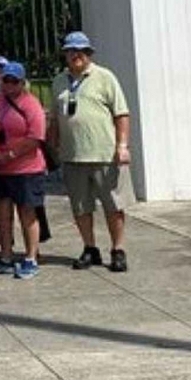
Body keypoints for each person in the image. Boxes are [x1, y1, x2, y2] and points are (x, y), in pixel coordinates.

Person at [48, 31, 132, 272]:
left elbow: (121, 114)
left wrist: (122, 146)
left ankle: (117, 249)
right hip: (73, 156)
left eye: (81, 51)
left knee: (113, 205)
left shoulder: (105, 77)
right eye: (71, 51)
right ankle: (89, 248)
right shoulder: (59, 81)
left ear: (89, 54)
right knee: (80, 207)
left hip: (104, 154)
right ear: (65, 54)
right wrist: (52, 145)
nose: (76, 55)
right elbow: (54, 118)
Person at [0, 61, 47, 279]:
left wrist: (11, 155)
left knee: (27, 213)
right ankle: (6, 255)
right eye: (6, 79)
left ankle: (31, 256)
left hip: (26, 168)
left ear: (22, 82)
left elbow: (35, 138)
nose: (9, 84)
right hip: (1, 170)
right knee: (2, 215)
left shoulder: (31, 104)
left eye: (14, 80)